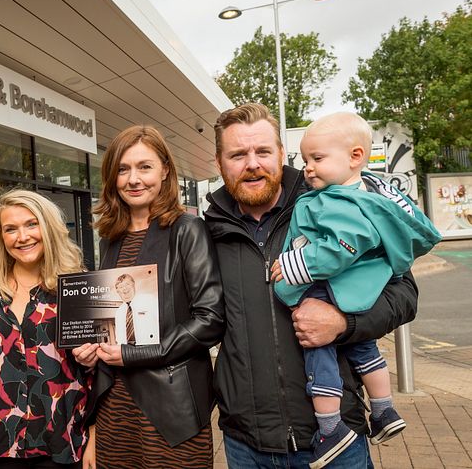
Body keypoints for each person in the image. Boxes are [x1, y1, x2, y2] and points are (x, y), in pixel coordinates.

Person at [204, 103, 419, 469]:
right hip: (245, 444)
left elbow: (404, 295)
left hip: (339, 441)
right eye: (238, 154)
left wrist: (343, 323)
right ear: (220, 162)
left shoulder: (331, 203)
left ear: (281, 154)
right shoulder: (208, 232)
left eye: (263, 151)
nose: (252, 163)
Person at [270, 112, 441, 468]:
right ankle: (384, 409)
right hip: (355, 290)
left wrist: (294, 265)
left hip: (330, 289)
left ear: (356, 156)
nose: (308, 168)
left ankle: (330, 428)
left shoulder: (336, 199)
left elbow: (345, 245)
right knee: (365, 349)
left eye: (317, 159)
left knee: (316, 348)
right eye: (304, 160)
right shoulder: (365, 196)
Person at [73, 125, 225, 469]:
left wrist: (137, 353)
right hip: (115, 404)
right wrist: (90, 350)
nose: (133, 179)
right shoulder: (110, 239)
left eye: (144, 167)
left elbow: (211, 318)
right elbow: (112, 320)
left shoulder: (188, 230)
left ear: (165, 171)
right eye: (123, 169)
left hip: (170, 408)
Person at [0, 189, 92, 469]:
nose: (22, 236)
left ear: (48, 227)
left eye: (31, 224)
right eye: (10, 229)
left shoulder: (76, 285)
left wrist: (96, 438)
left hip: (63, 443)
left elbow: (99, 376)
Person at [112, 273, 159, 345]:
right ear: (118, 291)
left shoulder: (149, 299)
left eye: (127, 284)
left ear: (133, 285)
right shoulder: (119, 312)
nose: (124, 288)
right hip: (127, 352)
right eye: (121, 287)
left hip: (150, 349)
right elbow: (119, 337)